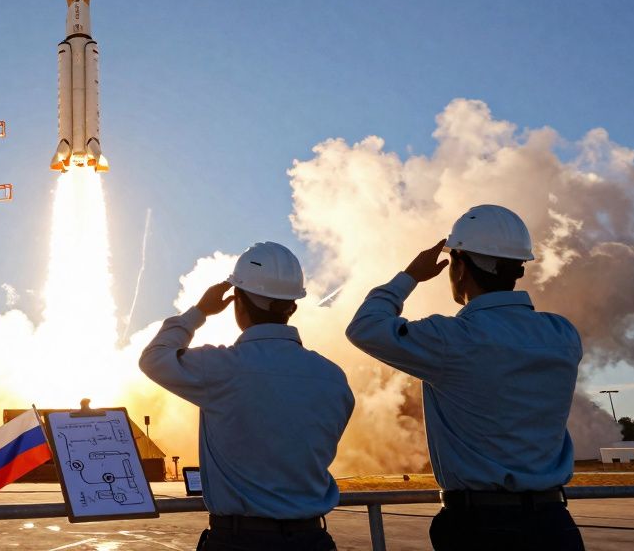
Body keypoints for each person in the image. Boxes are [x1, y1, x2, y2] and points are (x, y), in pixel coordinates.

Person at [346, 204, 585, 551]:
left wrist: (409, 276)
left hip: (481, 528)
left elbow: (366, 327)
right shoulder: (563, 334)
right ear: (517, 268)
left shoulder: (451, 339)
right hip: (555, 526)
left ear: (460, 267)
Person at [141, 242, 354, 551]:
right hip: (313, 540)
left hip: (240, 540)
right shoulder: (333, 377)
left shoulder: (220, 368)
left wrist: (199, 312)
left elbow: (155, 358)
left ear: (237, 301)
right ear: (293, 305)